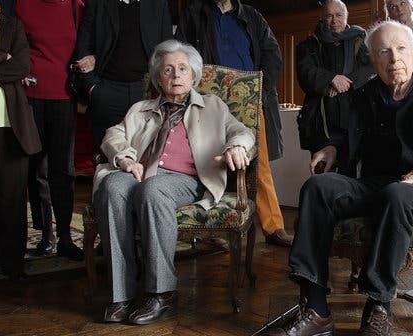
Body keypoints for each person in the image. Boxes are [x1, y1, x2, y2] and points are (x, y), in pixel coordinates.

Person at [268, 21, 413, 336]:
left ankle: (379, 306)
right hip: (375, 183)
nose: (394, 59)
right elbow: (349, 139)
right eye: (384, 52)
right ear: (373, 61)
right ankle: (316, 308)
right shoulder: (363, 97)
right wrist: (333, 148)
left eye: (401, 49)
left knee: (397, 194)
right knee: (318, 187)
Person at [93, 40, 255, 325]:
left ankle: (161, 293)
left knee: (152, 190)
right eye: (168, 70)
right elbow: (113, 135)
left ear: (193, 75)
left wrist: (238, 147)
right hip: (140, 174)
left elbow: (241, 132)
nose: (176, 75)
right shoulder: (140, 108)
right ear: (158, 77)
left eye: (182, 68)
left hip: (186, 179)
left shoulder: (214, 106)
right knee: (112, 186)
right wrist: (126, 159)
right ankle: (121, 294)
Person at [176, 0, 293, 247]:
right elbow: (183, 55)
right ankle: (214, 228)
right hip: (210, 101)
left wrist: (259, 90)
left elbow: (272, 54)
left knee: (259, 166)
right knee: (209, 161)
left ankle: (273, 227)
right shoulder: (194, 14)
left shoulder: (252, 15)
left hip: (250, 101)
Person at [16, 0, 84, 260]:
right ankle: (46, 233)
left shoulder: (75, 6)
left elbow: (85, 46)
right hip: (31, 95)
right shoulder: (22, 4)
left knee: (62, 169)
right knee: (36, 169)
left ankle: (65, 236)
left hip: (65, 96)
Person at [72, 0, 173, 151]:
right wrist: (92, 88)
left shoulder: (158, 4)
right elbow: (83, 47)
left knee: (146, 155)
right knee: (105, 154)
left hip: (147, 91)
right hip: (107, 90)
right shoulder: (96, 4)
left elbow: (167, 48)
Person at [296, 0, 374, 176]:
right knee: (323, 173)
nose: (334, 20)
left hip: (354, 116)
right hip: (322, 120)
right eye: (329, 16)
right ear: (322, 18)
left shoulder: (360, 39)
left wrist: (346, 82)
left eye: (339, 15)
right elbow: (305, 72)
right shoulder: (309, 44)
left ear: (347, 16)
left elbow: (371, 66)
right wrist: (331, 79)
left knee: (353, 173)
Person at [0, 9, 42, 283]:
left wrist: (8, 59)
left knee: (11, 199)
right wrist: (2, 56)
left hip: (10, 128)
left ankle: (13, 262)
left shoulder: (13, 27)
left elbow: (23, 66)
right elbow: (11, 67)